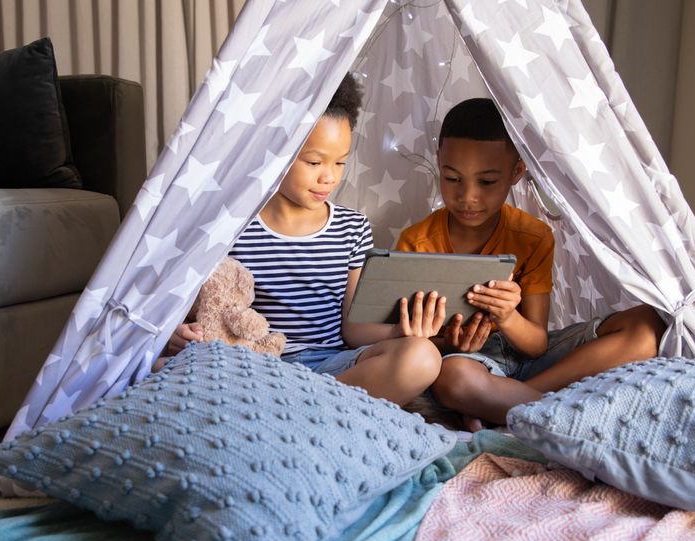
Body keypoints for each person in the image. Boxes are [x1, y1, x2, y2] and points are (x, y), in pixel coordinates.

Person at [164, 74, 445, 406]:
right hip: (256, 365)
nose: (329, 177)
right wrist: (176, 334)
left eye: (340, 162)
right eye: (314, 162)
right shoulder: (232, 227)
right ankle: (304, 407)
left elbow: (353, 331)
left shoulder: (352, 228)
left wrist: (401, 332)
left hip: (334, 367)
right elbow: (196, 310)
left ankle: (296, 406)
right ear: (277, 152)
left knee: (423, 357)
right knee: (168, 371)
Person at [397, 98, 665, 429]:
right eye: (453, 179)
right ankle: (554, 416)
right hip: (467, 362)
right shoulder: (417, 242)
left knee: (647, 326)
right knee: (455, 379)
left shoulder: (533, 236)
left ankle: (511, 402)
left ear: (516, 172)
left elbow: (536, 344)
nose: (468, 196)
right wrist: (450, 343)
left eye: (487, 182)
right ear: (439, 163)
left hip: (531, 362)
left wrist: (508, 317)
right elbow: (413, 344)